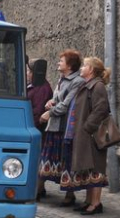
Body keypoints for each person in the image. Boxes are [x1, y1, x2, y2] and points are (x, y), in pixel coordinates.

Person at [38, 49, 85, 206]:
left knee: (66, 161)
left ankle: (69, 194)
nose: (58, 63)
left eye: (61, 61)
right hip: (54, 127)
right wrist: (50, 102)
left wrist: (49, 113)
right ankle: (39, 189)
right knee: (47, 160)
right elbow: (57, 98)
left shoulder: (77, 81)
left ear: (70, 65)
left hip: (64, 128)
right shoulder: (62, 79)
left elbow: (66, 105)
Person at [67, 56, 111, 215]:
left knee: (96, 168)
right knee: (88, 167)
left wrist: (87, 127)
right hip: (85, 134)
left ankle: (96, 203)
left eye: (84, 66)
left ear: (91, 70)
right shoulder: (87, 85)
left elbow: (101, 109)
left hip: (93, 135)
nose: (81, 68)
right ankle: (88, 201)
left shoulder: (97, 86)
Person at [26, 59, 53, 200]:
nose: (26, 73)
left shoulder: (42, 89)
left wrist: (31, 127)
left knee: (37, 159)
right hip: (33, 127)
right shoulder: (33, 86)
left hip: (36, 128)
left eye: (29, 71)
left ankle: (38, 189)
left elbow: (37, 111)